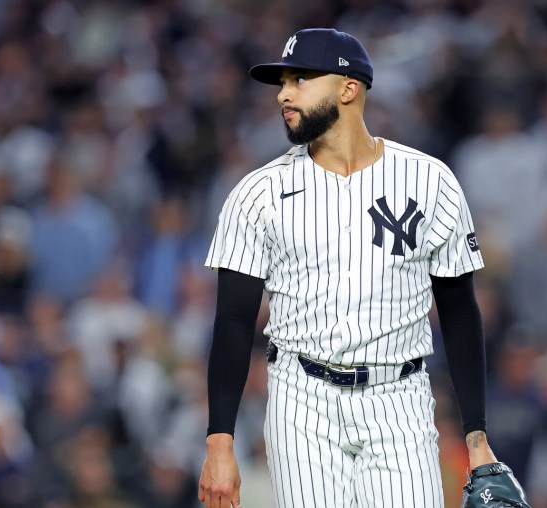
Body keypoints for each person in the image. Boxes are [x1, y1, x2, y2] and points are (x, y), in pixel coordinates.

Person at [199, 28, 513, 507]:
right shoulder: (257, 194)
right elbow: (234, 321)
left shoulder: (429, 181)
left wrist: (476, 437)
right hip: (301, 400)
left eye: (300, 78)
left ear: (348, 88)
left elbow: (460, 312)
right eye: (282, 81)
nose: (284, 92)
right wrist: (219, 440)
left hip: (399, 398)